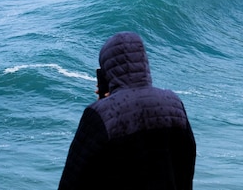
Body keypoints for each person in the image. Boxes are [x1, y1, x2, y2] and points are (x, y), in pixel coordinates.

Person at [59, 31, 196, 190]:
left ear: (106, 69)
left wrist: (103, 103)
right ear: (143, 60)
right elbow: (187, 159)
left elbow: (74, 178)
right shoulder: (173, 103)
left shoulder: (100, 115)